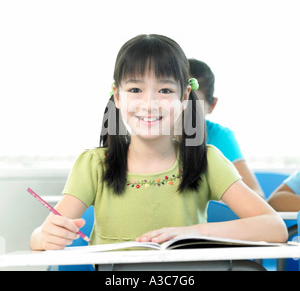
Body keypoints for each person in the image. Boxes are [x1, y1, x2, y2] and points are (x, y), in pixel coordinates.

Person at [30, 34, 287, 251]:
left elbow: (274, 227)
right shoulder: (93, 165)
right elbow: (38, 238)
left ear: (185, 96)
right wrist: (45, 236)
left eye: (164, 90)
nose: (149, 103)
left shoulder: (206, 159)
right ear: (117, 96)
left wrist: (191, 232)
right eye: (135, 90)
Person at [188, 59, 265, 199]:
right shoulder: (150, 137)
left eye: (191, 106)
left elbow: (257, 196)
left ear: (212, 105)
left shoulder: (218, 138)